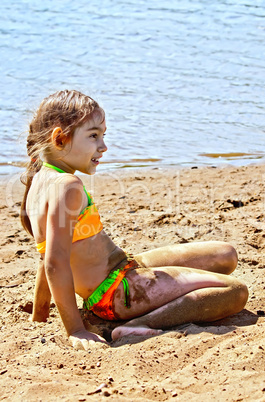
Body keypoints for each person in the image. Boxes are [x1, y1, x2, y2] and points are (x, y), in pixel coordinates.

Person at [21, 90, 248, 349]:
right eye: (93, 136)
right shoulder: (67, 186)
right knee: (235, 291)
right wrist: (75, 330)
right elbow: (54, 262)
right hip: (118, 292)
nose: (103, 146)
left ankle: (141, 312)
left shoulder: (39, 180)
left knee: (225, 254)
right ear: (60, 138)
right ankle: (137, 325)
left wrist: (39, 316)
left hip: (124, 267)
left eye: (103, 135)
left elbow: (45, 256)